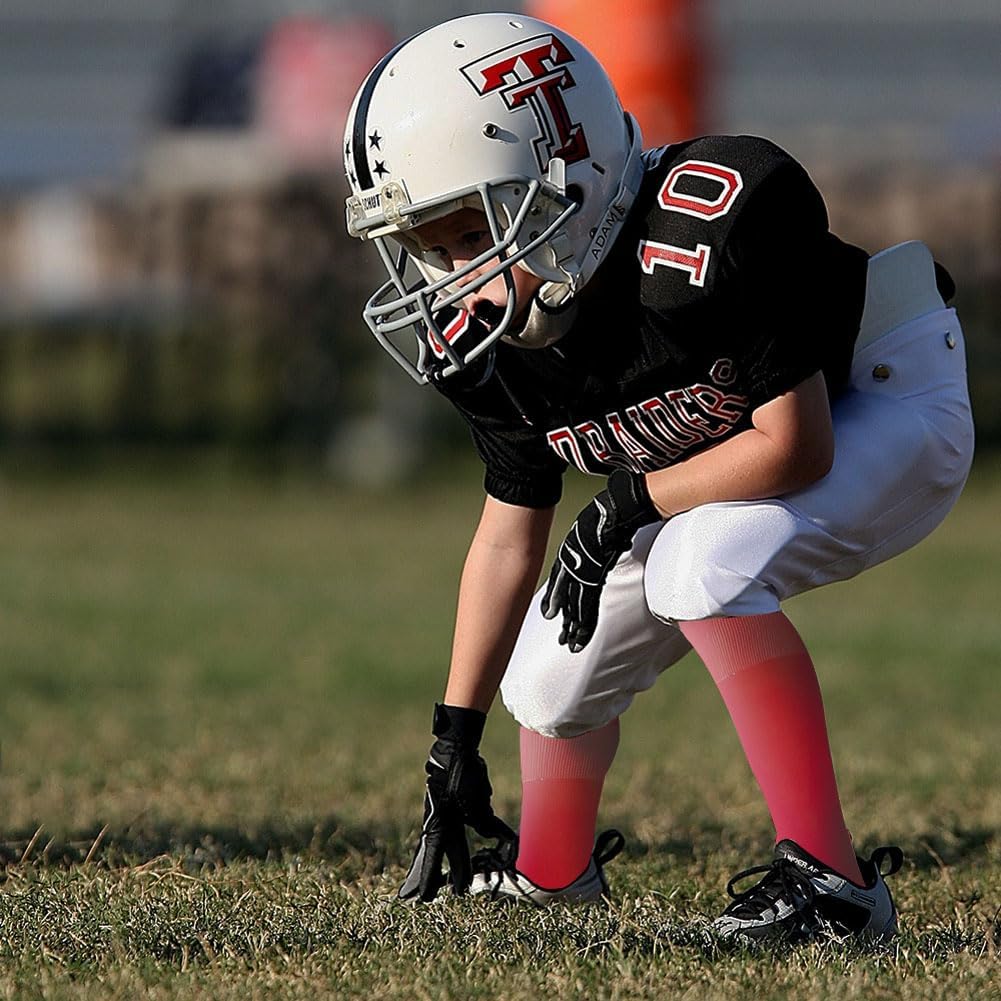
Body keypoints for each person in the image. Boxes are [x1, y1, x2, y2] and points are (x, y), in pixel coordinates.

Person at [342, 12, 974, 943]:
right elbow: (509, 531)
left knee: (696, 564)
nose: (452, 277)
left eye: (469, 231)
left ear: (565, 182)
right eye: (428, 247)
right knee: (546, 682)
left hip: (882, 395)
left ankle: (835, 883)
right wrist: (453, 738)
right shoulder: (501, 341)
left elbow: (796, 447)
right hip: (710, 467)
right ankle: (551, 873)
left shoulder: (696, 232)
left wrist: (628, 503)